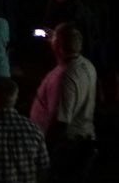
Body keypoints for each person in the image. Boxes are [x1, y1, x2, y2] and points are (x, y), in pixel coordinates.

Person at [29, 22, 97, 181]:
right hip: (81, 140)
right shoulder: (86, 64)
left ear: (58, 47)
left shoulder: (64, 78)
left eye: (55, 40)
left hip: (67, 149)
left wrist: (43, 150)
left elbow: (60, 121)